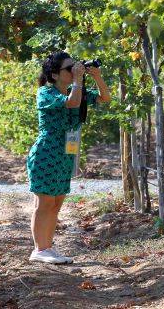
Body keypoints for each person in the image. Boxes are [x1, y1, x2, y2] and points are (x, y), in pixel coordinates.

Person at [27, 51, 111, 264]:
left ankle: (47, 247)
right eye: (69, 68)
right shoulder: (46, 93)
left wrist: (97, 76)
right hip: (47, 153)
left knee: (56, 203)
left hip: (64, 155)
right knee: (44, 203)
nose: (74, 71)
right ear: (55, 75)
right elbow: (72, 103)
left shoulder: (77, 89)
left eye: (75, 67)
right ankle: (39, 249)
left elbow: (105, 98)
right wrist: (78, 80)